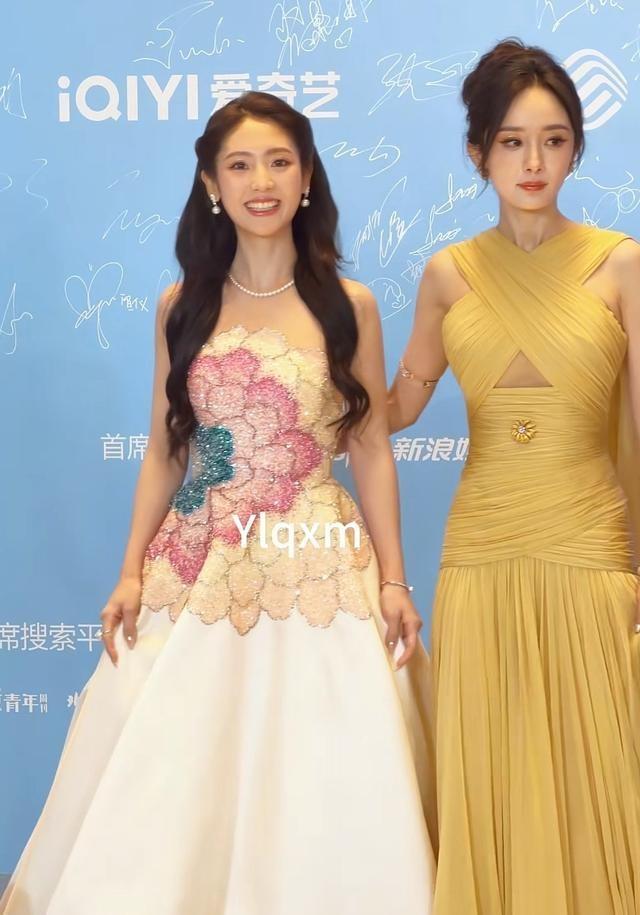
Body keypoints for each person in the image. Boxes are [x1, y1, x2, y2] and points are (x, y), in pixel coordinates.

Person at [1, 92, 436, 915]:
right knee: (178, 759)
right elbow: (166, 450)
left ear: (306, 178)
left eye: (279, 162)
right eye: (240, 165)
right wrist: (130, 571)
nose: (260, 182)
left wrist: (393, 579)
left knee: (324, 757)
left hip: (318, 565)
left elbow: (373, 448)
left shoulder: (351, 306)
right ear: (211, 182)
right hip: (199, 558)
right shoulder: (182, 307)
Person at [388, 39, 640, 915]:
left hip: (589, 542)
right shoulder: (447, 275)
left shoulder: (622, 263)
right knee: (489, 766)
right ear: (477, 152)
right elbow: (399, 403)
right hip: (482, 548)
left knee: (601, 768)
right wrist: (305, 383)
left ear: (575, 150)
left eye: (554, 140)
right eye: (511, 142)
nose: (534, 162)